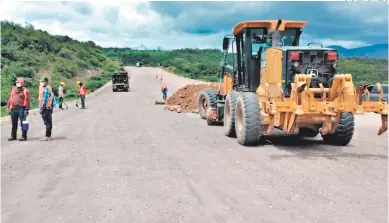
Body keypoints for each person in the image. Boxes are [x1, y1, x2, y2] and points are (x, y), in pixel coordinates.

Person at [39, 77, 56, 141]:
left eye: (42, 81)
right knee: (49, 122)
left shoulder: (46, 89)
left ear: (46, 82)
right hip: (49, 107)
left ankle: (47, 136)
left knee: (47, 123)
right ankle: (49, 136)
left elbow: (45, 100)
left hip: (46, 108)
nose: (41, 83)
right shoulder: (48, 88)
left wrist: (42, 108)